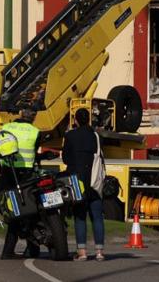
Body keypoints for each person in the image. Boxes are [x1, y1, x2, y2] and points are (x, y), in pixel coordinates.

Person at [0, 108, 42, 260]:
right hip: (27, 175)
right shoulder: (35, 132)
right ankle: (32, 248)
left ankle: (9, 250)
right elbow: (35, 153)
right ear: (34, 116)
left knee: (12, 210)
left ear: (20, 113)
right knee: (29, 209)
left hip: (8, 174)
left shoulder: (6, 128)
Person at [62, 108, 106, 261]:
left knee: (80, 216)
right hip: (94, 181)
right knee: (97, 217)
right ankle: (99, 252)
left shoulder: (70, 136)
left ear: (75, 120)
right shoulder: (96, 136)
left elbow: (65, 159)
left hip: (77, 182)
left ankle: (82, 252)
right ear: (88, 120)